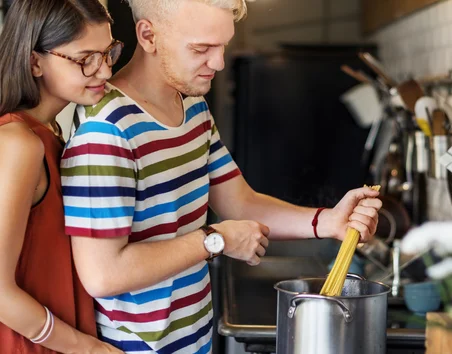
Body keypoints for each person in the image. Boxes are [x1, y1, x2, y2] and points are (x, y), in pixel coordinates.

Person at [60, 0, 383, 352]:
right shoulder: (106, 130)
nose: (218, 63)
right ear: (149, 36)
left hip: (195, 339)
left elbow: (239, 201)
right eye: (202, 48)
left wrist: (328, 221)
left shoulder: (193, 108)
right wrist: (215, 240)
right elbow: (103, 275)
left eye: (223, 46)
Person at [0, 0, 125, 353]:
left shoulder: (50, 131)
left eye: (108, 52)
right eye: (86, 59)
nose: (103, 72)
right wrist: (89, 348)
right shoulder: (19, 144)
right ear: (34, 61)